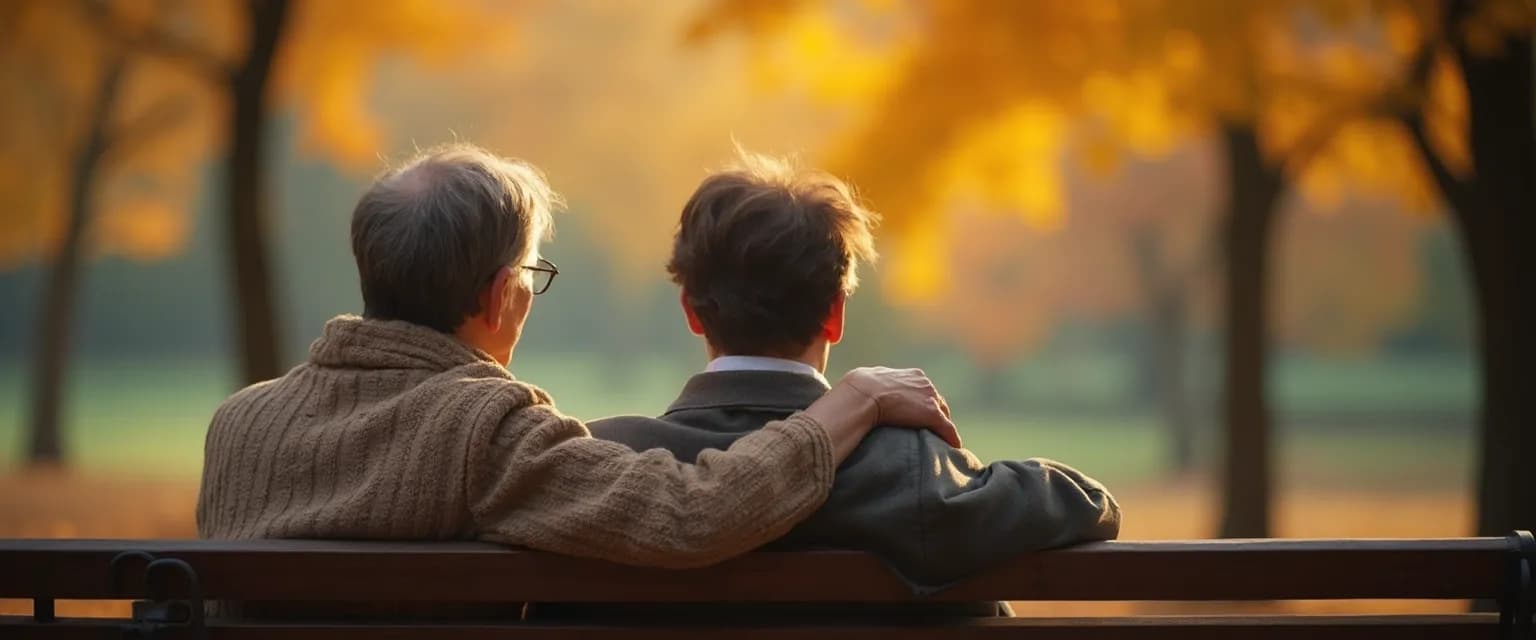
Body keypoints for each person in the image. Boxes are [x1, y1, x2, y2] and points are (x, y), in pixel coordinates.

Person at [196, 143, 961, 578]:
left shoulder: (237, 425)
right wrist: (849, 401)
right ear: (500, 297)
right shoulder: (485, 431)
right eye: (532, 277)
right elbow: (695, 514)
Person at [579, 150, 1121, 619]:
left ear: (692, 312)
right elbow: (1091, 505)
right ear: (835, 315)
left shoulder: (602, 465)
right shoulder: (906, 471)